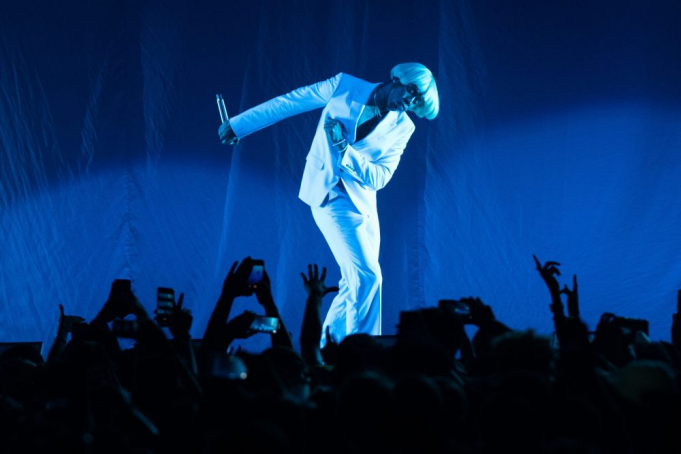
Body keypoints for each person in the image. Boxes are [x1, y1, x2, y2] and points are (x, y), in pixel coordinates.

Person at [219, 63, 439, 348]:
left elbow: (380, 177)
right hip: (329, 195)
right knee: (369, 277)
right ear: (398, 78)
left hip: (364, 206)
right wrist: (239, 125)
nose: (408, 104)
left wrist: (344, 150)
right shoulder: (344, 87)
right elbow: (290, 102)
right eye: (411, 94)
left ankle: (325, 351)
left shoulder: (403, 126)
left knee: (352, 282)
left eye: (416, 103)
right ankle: (363, 355)